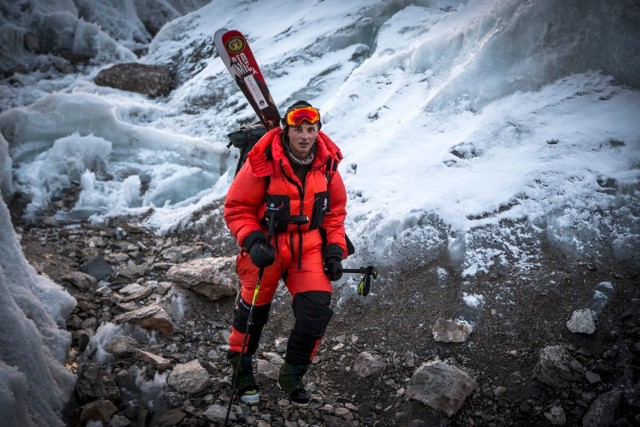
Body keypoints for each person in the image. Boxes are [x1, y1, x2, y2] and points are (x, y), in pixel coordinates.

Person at [223, 100, 348, 406]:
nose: (304, 136)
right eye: (298, 129)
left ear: (318, 131)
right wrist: (253, 242)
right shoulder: (262, 163)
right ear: (286, 130)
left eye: (310, 129)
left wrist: (335, 250)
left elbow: (335, 214)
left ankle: (291, 375)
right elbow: (237, 208)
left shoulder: (328, 164)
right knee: (251, 315)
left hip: (308, 247)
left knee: (316, 312)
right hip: (266, 248)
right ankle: (241, 371)